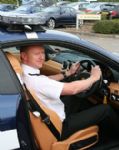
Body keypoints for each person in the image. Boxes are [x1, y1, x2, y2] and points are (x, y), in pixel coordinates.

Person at [20, 45, 119, 140]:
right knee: (106, 109)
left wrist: (68, 73)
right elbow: (73, 89)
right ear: (24, 56)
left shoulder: (25, 72)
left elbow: (47, 79)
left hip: (51, 114)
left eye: (43, 53)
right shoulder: (36, 82)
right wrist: (94, 77)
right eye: (37, 54)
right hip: (59, 126)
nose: (42, 57)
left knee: (78, 96)